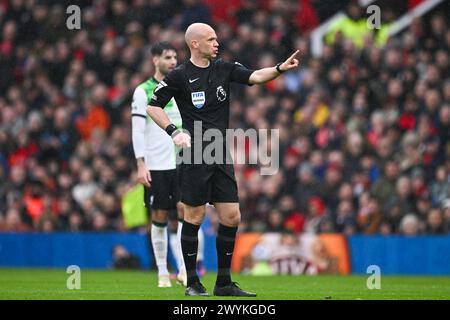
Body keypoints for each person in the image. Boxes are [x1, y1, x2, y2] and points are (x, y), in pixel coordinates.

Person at [147, 23, 300, 296]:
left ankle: (224, 283)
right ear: (195, 44)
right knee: (193, 216)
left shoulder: (224, 68)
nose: (217, 43)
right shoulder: (180, 75)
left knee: (231, 216)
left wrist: (278, 69)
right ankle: (193, 282)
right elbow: (153, 106)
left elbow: (255, 76)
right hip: (195, 152)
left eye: (217, 38)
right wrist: (174, 132)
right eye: (211, 39)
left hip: (219, 151)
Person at [131, 42, 205, 288]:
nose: (173, 61)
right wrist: (141, 164)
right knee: (159, 216)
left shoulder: (180, 87)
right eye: (167, 57)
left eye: (175, 57)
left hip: (181, 162)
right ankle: (163, 271)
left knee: (185, 213)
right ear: (155, 60)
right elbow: (137, 131)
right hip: (156, 165)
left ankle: (185, 269)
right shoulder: (143, 91)